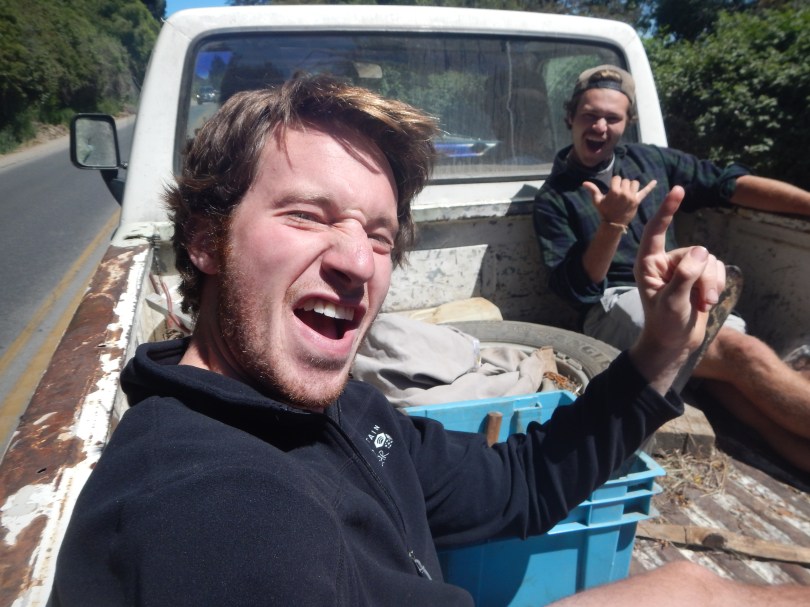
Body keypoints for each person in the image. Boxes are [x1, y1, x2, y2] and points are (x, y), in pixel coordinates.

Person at [52, 74, 807, 606]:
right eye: (307, 216)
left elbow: (520, 483)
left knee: (695, 588)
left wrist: (662, 350)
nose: (358, 262)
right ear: (204, 239)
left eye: (380, 235)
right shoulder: (210, 512)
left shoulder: (337, 410)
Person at [534, 64, 810, 472]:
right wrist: (612, 225)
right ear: (570, 117)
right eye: (590, 115)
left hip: (676, 287)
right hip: (613, 304)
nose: (600, 127)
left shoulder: (650, 161)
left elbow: (728, 184)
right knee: (743, 352)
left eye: (612, 118)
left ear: (627, 123)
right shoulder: (553, 197)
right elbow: (578, 291)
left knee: (730, 382)